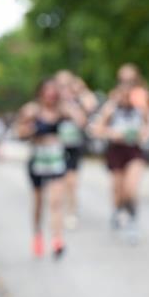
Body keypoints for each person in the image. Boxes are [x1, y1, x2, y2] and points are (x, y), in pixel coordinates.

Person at [14, 77, 86, 259]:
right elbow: (19, 132)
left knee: (56, 202)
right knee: (39, 203)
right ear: (40, 93)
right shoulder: (32, 110)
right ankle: (37, 235)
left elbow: (81, 122)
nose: (50, 97)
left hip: (56, 159)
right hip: (38, 159)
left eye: (54, 93)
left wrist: (72, 104)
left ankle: (57, 240)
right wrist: (30, 130)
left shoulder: (62, 109)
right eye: (47, 93)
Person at [91, 64, 149, 245]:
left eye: (130, 81)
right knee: (118, 190)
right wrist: (112, 133)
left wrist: (143, 134)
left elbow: (148, 125)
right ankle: (117, 210)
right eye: (123, 81)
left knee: (130, 188)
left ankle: (132, 221)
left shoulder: (142, 101)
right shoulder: (112, 104)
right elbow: (97, 128)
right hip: (116, 150)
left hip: (134, 150)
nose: (127, 85)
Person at [55, 69, 98, 230]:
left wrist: (81, 90)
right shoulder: (53, 101)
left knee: (71, 182)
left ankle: (71, 211)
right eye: (60, 85)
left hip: (73, 145)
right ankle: (59, 209)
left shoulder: (78, 101)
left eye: (66, 84)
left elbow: (88, 111)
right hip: (56, 147)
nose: (63, 88)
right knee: (59, 183)